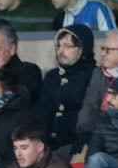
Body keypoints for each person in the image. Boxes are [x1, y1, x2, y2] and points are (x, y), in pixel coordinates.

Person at [36, 26, 97, 155]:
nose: (61, 51)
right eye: (58, 46)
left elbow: (91, 116)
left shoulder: (94, 75)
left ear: (82, 49)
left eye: (67, 46)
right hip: (48, 146)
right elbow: (42, 113)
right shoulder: (52, 76)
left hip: (77, 145)